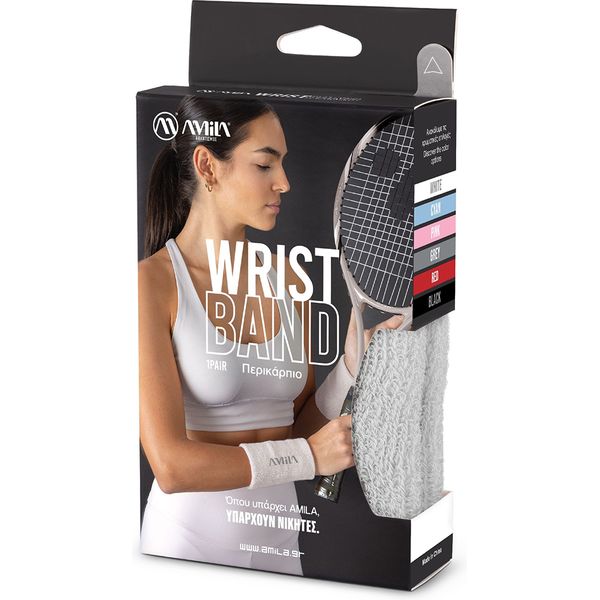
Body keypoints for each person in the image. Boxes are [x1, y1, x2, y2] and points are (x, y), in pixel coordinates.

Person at [138, 95, 405, 574]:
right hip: (185, 548)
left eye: (282, 164)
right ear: (208, 166)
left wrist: (348, 370)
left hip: (279, 548)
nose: (284, 182)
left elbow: (295, 427)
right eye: (265, 164)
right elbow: (172, 467)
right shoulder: (151, 284)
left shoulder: (287, 279)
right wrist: (307, 458)